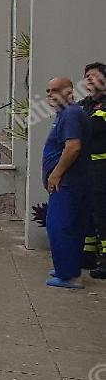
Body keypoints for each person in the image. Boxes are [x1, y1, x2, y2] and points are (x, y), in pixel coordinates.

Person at [43, 77, 93, 288]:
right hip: (74, 181)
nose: (50, 95)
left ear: (69, 92)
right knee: (71, 226)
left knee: (59, 226)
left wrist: (56, 174)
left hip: (68, 182)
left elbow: (73, 147)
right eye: (48, 91)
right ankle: (68, 268)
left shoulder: (70, 114)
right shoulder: (67, 114)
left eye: (55, 90)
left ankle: (69, 276)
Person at [79, 63, 106, 278]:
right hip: (86, 167)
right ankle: (88, 254)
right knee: (87, 210)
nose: (88, 79)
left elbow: (93, 128)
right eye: (86, 76)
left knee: (101, 212)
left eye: (93, 76)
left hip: (101, 167)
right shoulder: (84, 104)